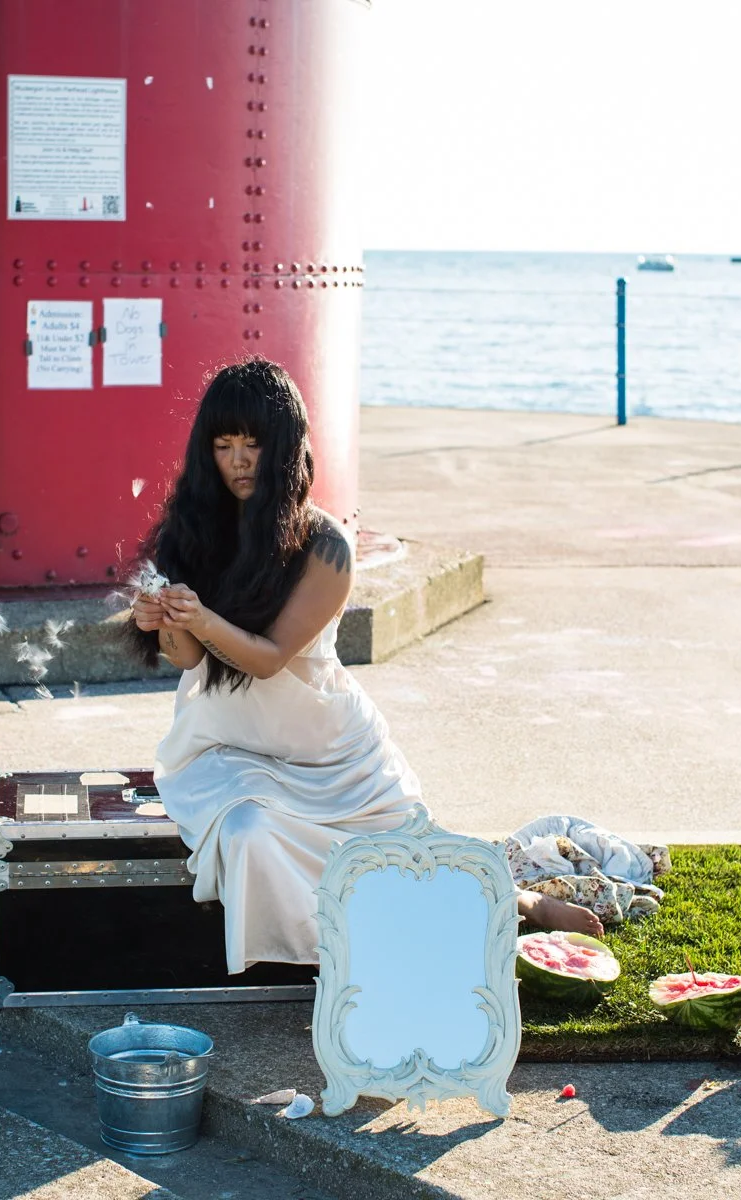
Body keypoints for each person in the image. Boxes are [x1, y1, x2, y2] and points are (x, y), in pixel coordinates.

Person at [131, 359, 600, 975]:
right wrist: (165, 622)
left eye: (254, 443)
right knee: (249, 834)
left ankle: (519, 900)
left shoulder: (325, 545)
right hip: (228, 745)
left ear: (286, 447)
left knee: (406, 857)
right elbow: (191, 660)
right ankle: (338, 962)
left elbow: (270, 660)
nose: (240, 460)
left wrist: (201, 617)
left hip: (329, 751)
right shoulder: (196, 531)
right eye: (224, 445)